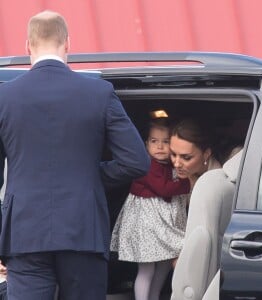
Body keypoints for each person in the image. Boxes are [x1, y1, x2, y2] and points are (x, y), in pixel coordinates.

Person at [0, 10, 150, 300]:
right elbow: (136, 161)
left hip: (23, 234)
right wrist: (92, 176)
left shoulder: (5, 97)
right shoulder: (99, 93)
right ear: (68, 43)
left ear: (27, 46)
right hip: (84, 230)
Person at [110, 117, 190, 300]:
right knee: (146, 269)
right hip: (146, 226)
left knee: (163, 265)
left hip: (161, 227)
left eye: (166, 142)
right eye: (154, 141)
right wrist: (186, 184)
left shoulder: (169, 165)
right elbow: (164, 189)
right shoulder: (146, 164)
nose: (160, 147)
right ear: (146, 144)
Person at [169, 118, 221, 189]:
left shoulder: (218, 184)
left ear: (206, 154)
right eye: (173, 154)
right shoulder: (168, 172)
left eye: (186, 158)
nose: (177, 164)